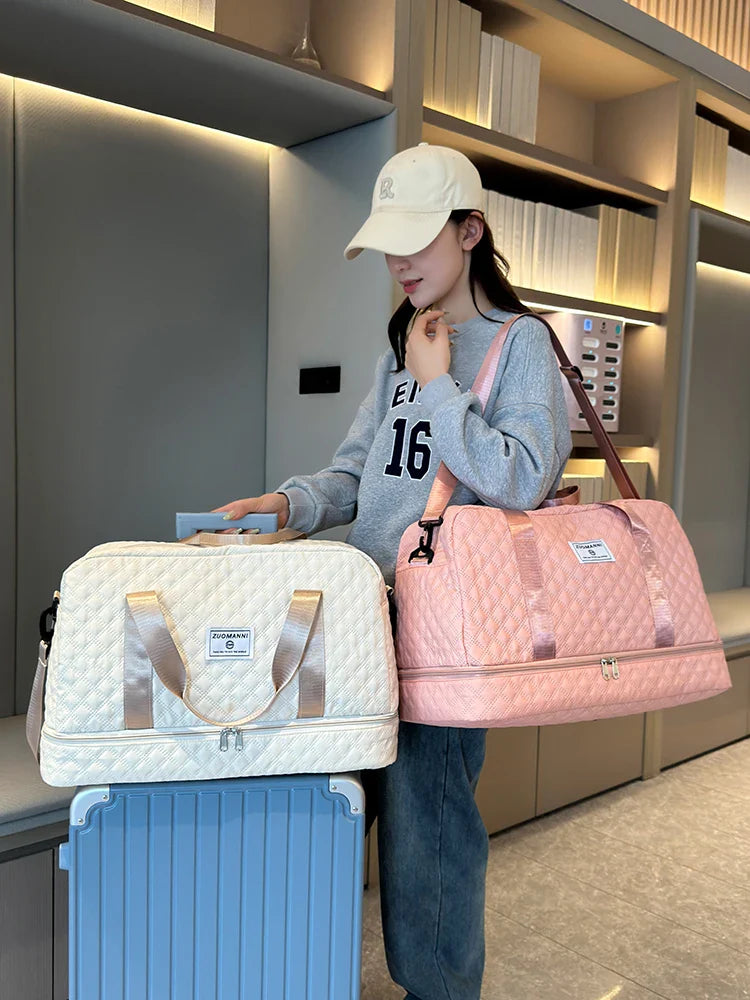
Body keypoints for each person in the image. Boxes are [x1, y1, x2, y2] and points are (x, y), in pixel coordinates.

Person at [214, 143, 572, 1000]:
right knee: (328, 811)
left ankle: (439, 989)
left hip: (446, 630)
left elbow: (524, 477)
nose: (400, 262)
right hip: (363, 617)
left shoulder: (521, 344)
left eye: (417, 239)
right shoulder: (401, 348)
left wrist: (440, 386)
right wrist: (285, 503)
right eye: (388, 245)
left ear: (470, 231)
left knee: (430, 831)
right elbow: (357, 475)